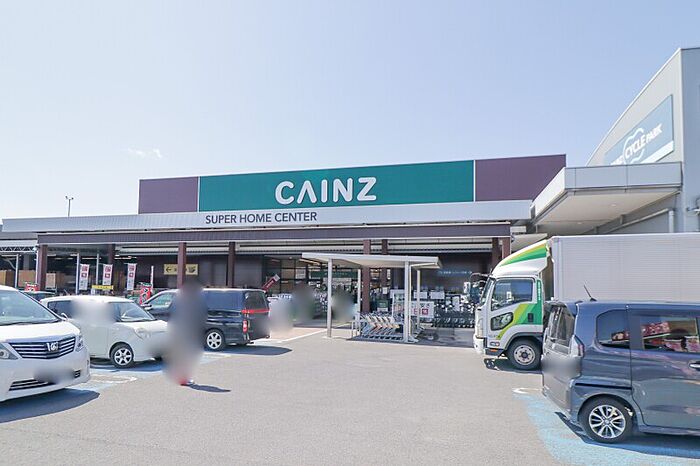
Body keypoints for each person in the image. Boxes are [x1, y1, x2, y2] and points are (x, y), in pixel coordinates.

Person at [166, 280, 208, 386]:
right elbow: (197, 316)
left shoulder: (180, 298)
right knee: (187, 356)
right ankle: (184, 378)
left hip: (179, 331)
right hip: (188, 332)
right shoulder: (193, 300)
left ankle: (181, 377)